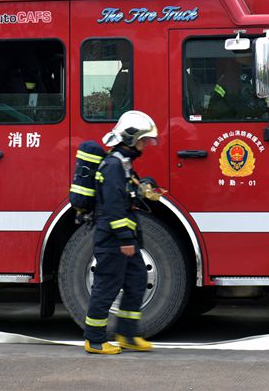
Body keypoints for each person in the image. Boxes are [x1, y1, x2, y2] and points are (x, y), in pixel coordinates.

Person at [84, 110, 159, 354]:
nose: (145, 146)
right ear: (130, 138)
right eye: (143, 140)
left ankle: (127, 334)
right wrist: (125, 239)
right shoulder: (113, 166)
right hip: (113, 240)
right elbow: (113, 208)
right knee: (107, 286)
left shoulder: (124, 164)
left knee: (137, 280)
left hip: (125, 239)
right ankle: (94, 340)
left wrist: (145, 185)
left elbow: (128, 194)